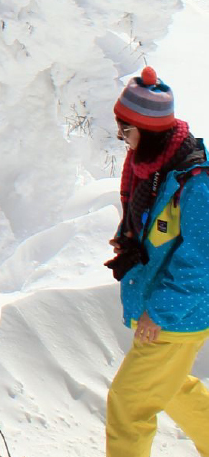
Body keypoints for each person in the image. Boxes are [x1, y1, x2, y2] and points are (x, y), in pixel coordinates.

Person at [105, 66, 209, 457]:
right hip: (171, 310)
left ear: (148, 131)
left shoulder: (195, 181)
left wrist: (161, 311)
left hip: (180, 315)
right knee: (171, 388)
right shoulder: (157, 169)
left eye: (126, 132)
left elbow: (204, 258)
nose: (124, 142)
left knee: (129, 405)